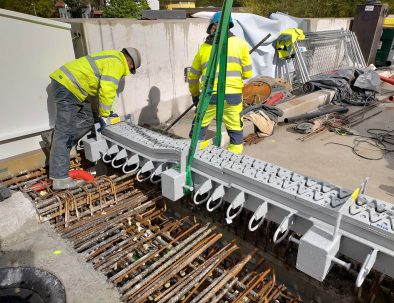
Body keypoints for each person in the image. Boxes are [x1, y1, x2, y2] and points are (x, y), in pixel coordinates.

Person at [48, 47, 141, 190]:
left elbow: (102, 89)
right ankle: (59, 177)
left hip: (73, 88)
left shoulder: (113, 58)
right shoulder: (117, 62)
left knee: (89, 118)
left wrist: (106, 113)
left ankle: (60, 143)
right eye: (130, 69)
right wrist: (105, 115)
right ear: (129, 63)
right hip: (67, 86)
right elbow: (107, 90)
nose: (126, 74)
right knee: (65, 131)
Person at [187, 11, 252, 154]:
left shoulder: (204, 48)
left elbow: (192, 77)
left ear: (212, 26)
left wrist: (195, 95)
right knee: (235, 130)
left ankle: (195, 157)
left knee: (199, 128)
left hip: (209, 96)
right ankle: (232, 162)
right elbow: (248, 73)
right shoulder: (241, 44)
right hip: (233, 96)